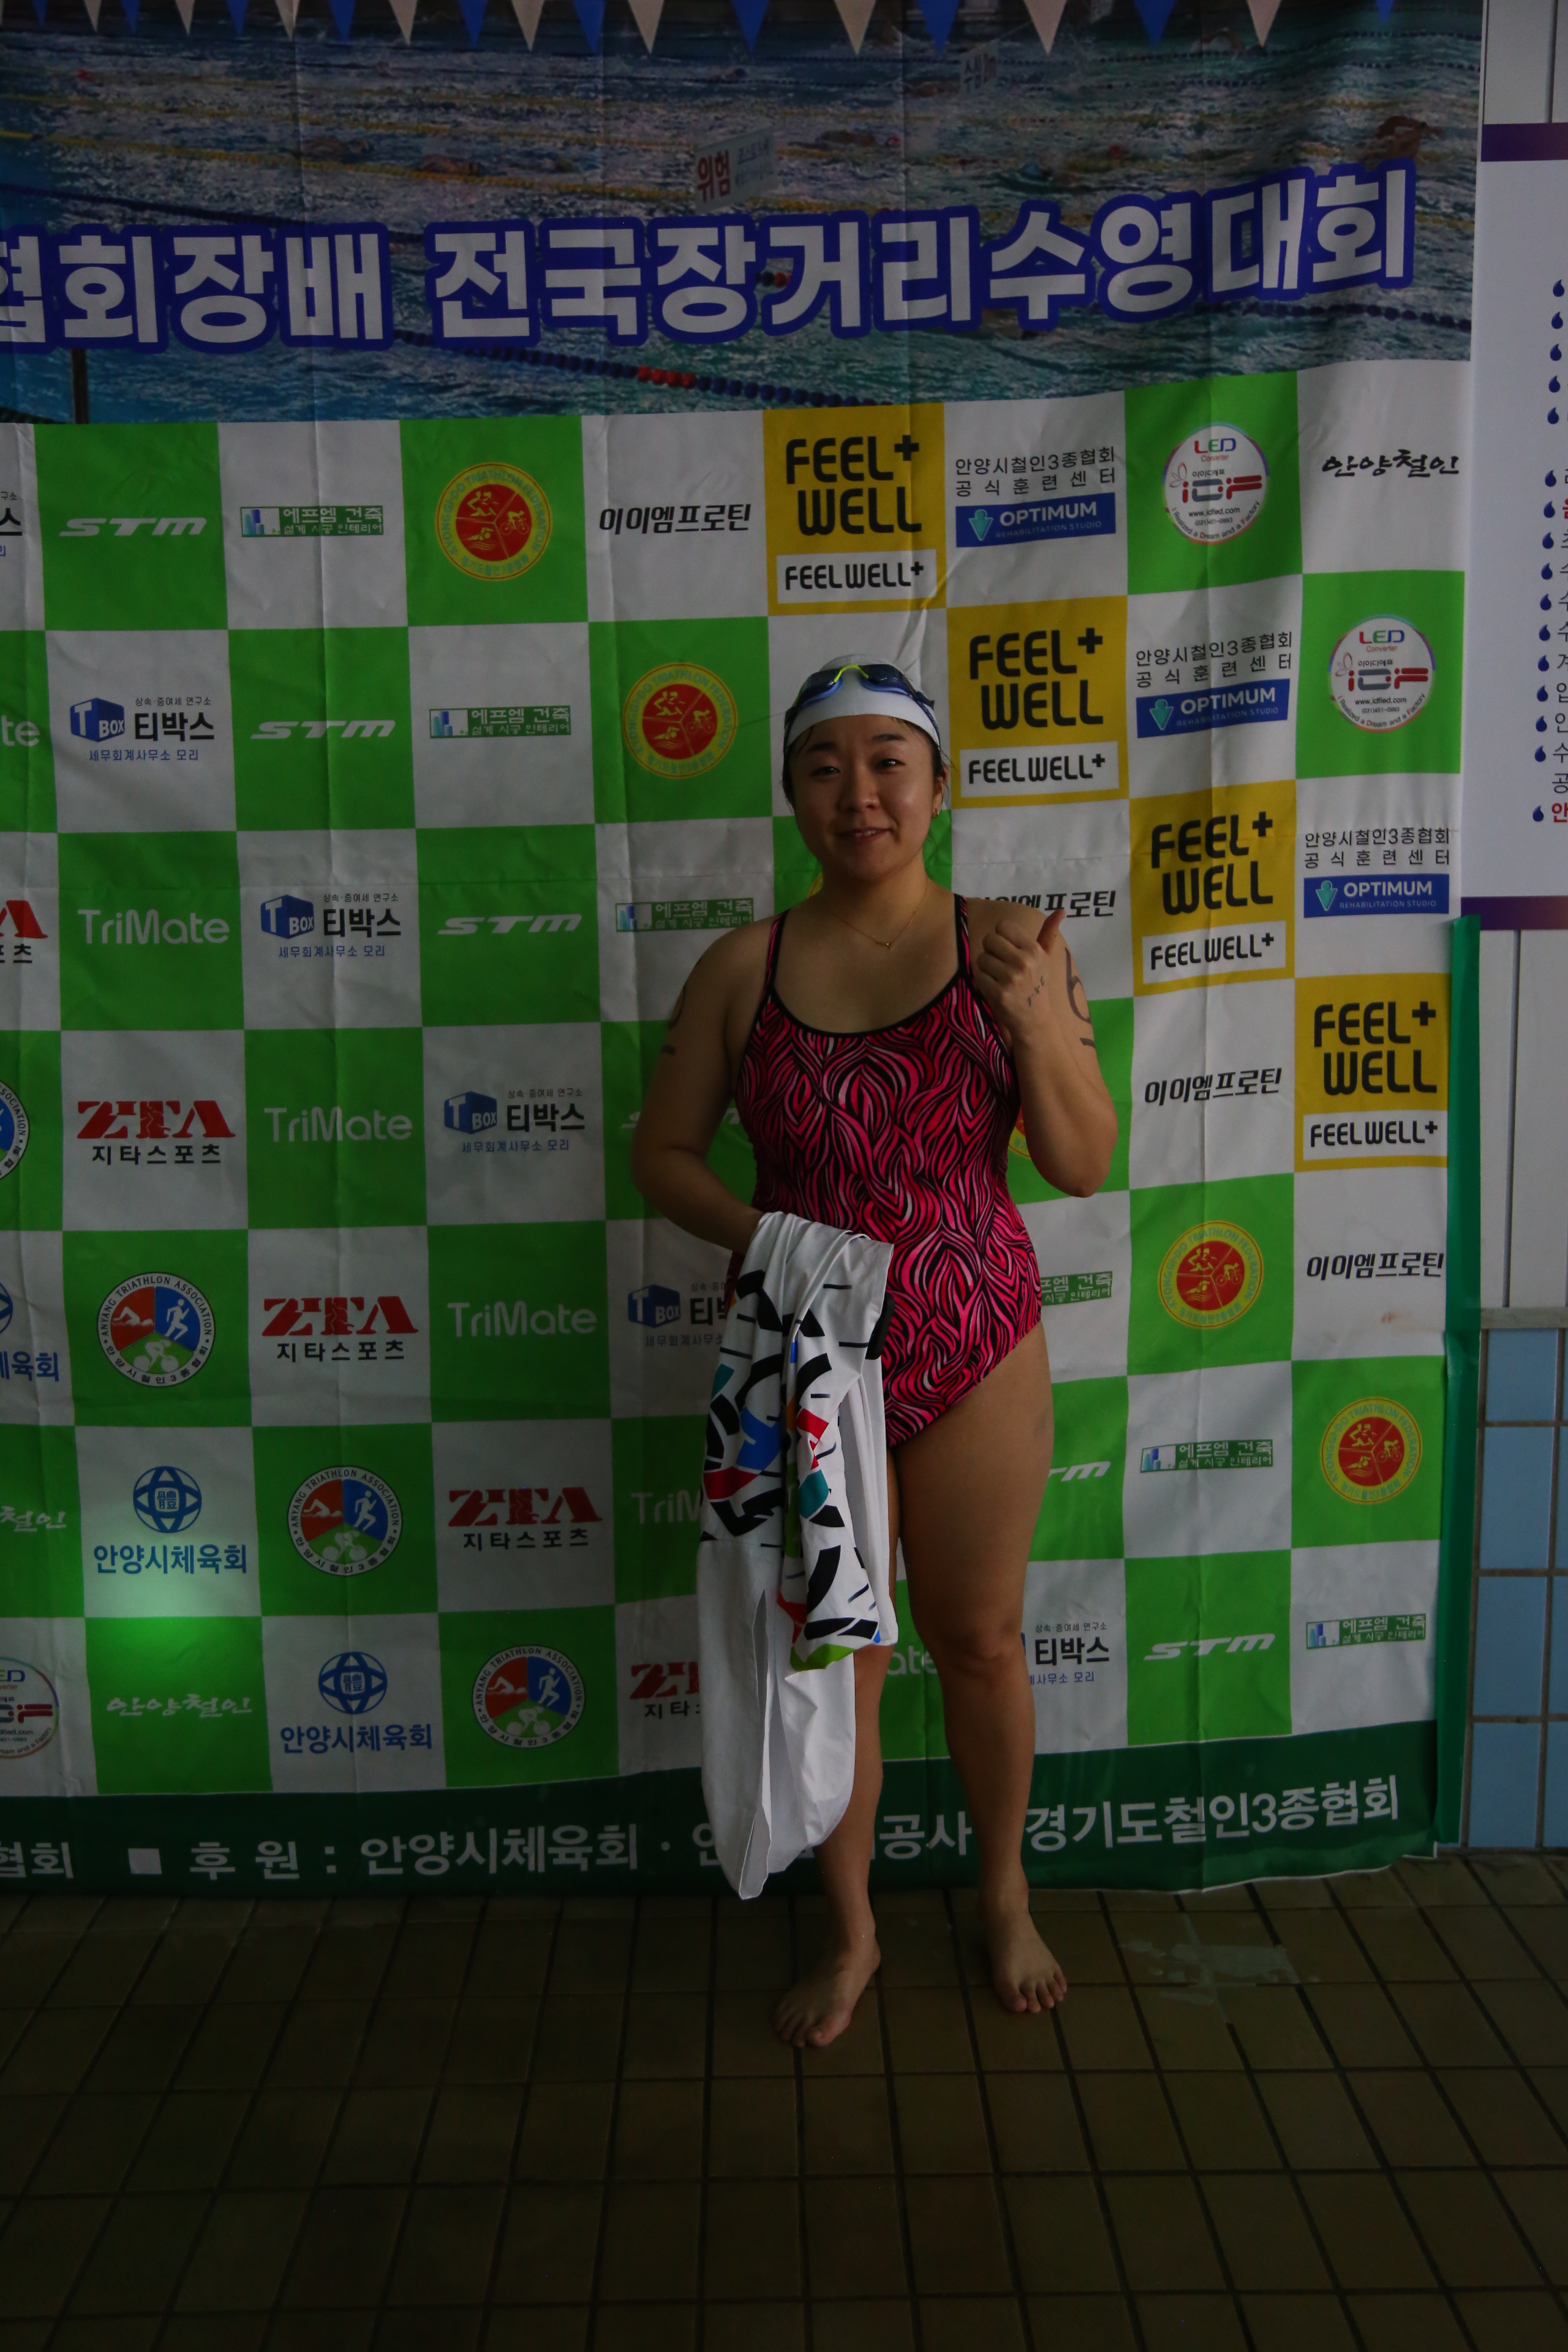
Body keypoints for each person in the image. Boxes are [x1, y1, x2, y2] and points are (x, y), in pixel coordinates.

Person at [630, 657, 1118, 2048]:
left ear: (937, 786)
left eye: (888, 762)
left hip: (976, 1335)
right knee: (834, 1657)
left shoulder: (1012, 944)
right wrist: (780, 1241)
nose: (861, 794)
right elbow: (662, 1155)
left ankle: (1003, 1890)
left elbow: (1082, 1161)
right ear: (791, 793)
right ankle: (850, 1930)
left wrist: (1035, 1022)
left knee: (978, 1640)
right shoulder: (744, 967)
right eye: (826, 766)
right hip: (807, 1355)